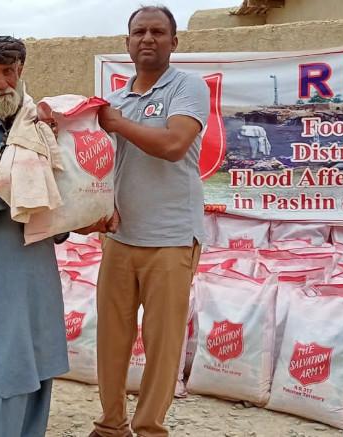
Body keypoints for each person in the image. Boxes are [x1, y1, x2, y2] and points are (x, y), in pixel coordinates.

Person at [0, 35, 79, 436]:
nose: (2, 82)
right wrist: (22, 167)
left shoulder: (39, 123)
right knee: (3, 367)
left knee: (38, 366)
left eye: (9, 71)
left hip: (37, 263)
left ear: (21, 72)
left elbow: (60, 190)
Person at [89, 6, 207, 437]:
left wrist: (118, 123)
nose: (148, 38)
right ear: (127, 43)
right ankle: (110, 426)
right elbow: (98, 167)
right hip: (120, 238)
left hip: (172, 238)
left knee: (162, 344)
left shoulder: (187, 88)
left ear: (174, 42)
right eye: (139, 31)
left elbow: (175, 144)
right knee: (112, 339)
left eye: (158, 31)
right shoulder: (114, 101)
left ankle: (150, 428)